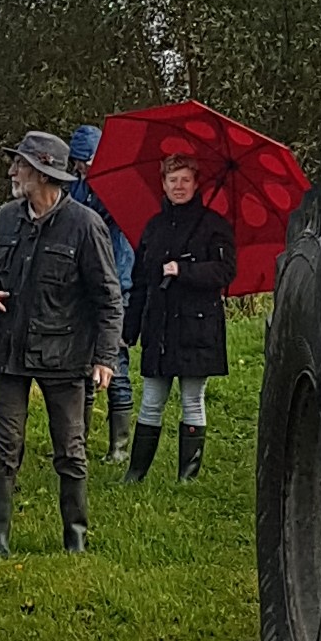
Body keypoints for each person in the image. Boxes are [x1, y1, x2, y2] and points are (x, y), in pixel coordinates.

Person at [0, 130, 123, 554]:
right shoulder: (4, 218)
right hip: (7, 351)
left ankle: (74, 540)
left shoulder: (85, 225)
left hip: (65, 355)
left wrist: (105, 358)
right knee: (5, 446)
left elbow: (108, 298)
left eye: (20, 165)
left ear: (43, 173)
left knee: (71, 451)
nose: (12, 171)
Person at [124, 152, 238, 482]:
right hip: (159, 326)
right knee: (151, 399)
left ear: (196, 183)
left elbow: (225, 270)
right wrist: (130, 329)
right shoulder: (154, 227)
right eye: (172, 180)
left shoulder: (215, 226)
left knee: (192, 399)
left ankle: (186, 478)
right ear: (163, 184)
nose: (179, 186)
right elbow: (141, 280)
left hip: (197, 327)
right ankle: (136, 473)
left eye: (185, 180)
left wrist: (184, 270)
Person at [66, 123, 136, 460]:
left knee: (115, 362)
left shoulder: (118, 188)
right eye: (80, 161)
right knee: (83, 363)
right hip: (83, 285)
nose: (84, 167)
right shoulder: (77, 189)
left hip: (117, 283)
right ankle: (79, 440)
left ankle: (119, 447)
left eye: (88, 160)